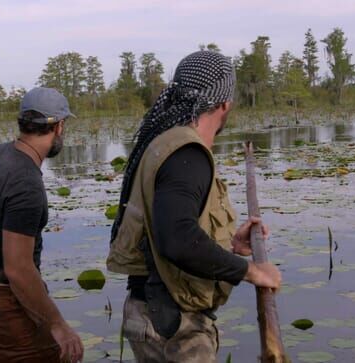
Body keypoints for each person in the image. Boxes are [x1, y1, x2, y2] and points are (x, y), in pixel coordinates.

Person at [106, 51, 282, 363]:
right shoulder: (186, 153)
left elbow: (166, 232)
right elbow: (177, 240)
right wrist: (253, 271)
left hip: (151, 312)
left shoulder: (166, 144)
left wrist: (230, 246)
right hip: (172, 324)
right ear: (224, 102)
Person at [0, 87, 84, 363]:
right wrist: (58, 324)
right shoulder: (25, 181)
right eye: (64, 126)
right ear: (58, 127)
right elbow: (18, 268)